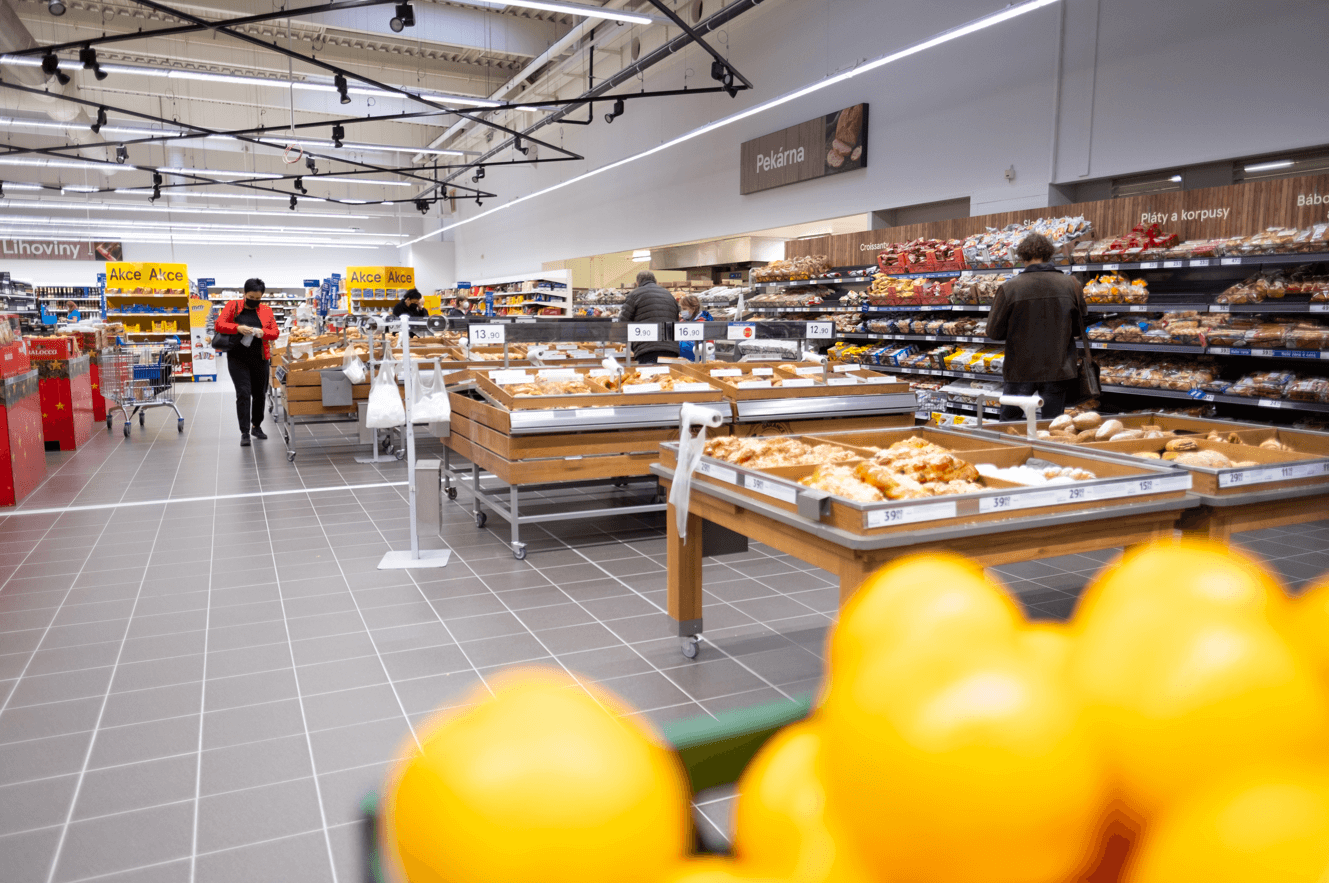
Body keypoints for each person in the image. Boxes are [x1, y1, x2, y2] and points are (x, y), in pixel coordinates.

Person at [987, 232, 1087, 421]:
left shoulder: (1010, 288)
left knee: (1009, 425)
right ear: (1049, 254)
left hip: (1020, 368)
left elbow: (993, 332)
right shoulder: (1071, 284)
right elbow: (1077, 329)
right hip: (1058, 367)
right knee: (1053, 425)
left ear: (1022, 256)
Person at [215, 278, 279, 446]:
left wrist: (263, 332)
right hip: (237, 358)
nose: (254, 301)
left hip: (260, 358)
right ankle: (244, 432)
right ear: (244, 293)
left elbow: (275, 332)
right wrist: (237, 328)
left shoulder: (266, 310)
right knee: (243, 393)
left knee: (259, 394)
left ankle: (256, 426)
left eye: (258, 298)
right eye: (251, 297)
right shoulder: (233, 306)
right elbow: (219, 325)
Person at [617, 270, 680, 364]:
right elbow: (676, 319)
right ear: (655, 280)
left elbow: (622, 322)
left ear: (638, 282)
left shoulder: (634, 294)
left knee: (650, 373)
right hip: (670, 348)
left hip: (647, 348)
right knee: (668, 372)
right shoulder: (668, 295)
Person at [676, 294, 712, 361]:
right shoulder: (682, 322)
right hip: (683, 359)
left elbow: (709, 346)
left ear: (693, 309)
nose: (682, 311)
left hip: (698, 360)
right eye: (681, 309)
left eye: (684, 309)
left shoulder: (702, 323)